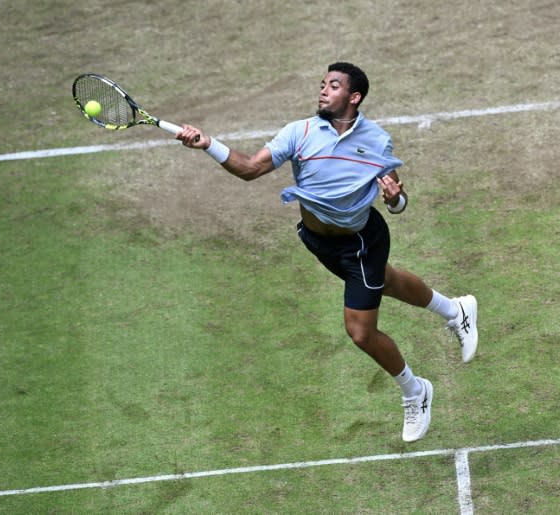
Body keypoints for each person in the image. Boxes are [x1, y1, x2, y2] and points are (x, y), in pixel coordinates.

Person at [176, 62, 478, 442]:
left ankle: (415, 390)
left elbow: (398, 200)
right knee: (386, 281)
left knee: (360, 333)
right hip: (319, 241)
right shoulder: (299, 132)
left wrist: (396, 199)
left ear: (354, 97)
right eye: (322, 85)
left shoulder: (376, 141)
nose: (323, 91)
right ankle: (456, 310)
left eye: (333, 86)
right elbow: (251, 168)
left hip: (361, 241)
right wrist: (208, 145)